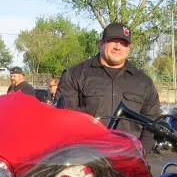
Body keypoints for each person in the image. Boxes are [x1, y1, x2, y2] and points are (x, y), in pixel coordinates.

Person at [58, 21, 161, 154]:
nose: (118, 47)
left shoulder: (144, 82)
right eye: (113, 41)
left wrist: (140, 153)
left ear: (129, 49)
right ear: (101, 43)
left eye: (123, 43)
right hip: (87, 157)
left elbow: (152, 122)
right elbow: (64, 119)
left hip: (129, 159)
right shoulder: (75, 75)